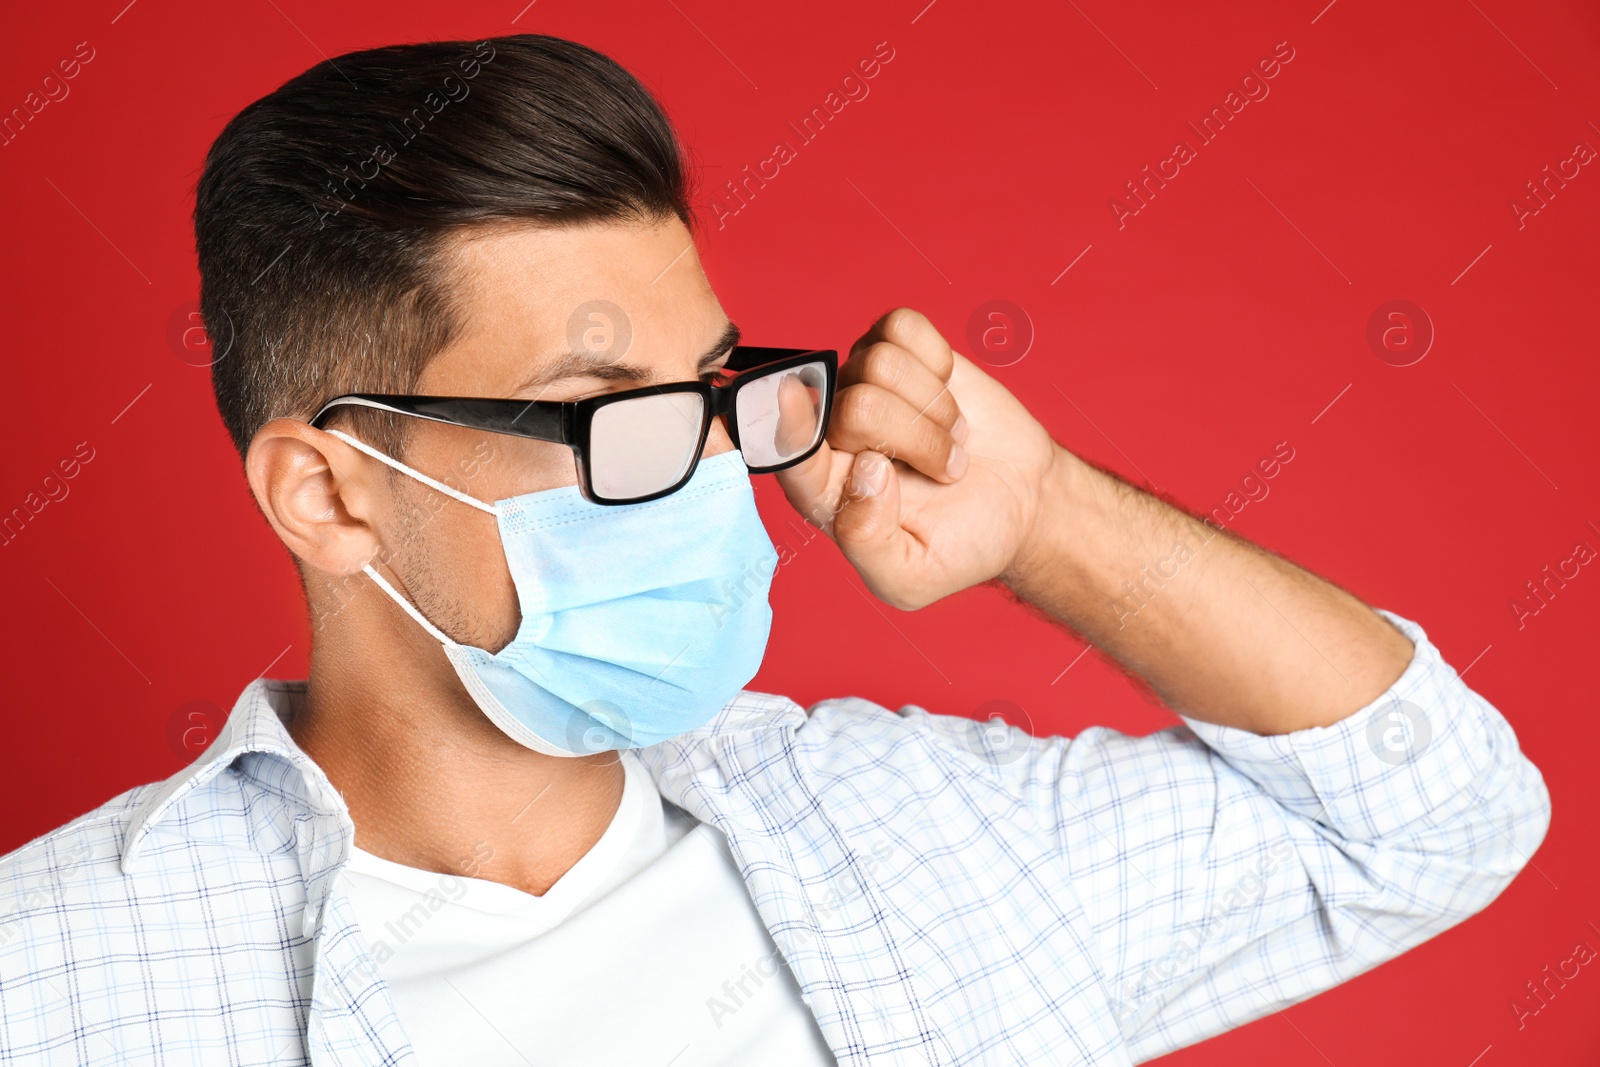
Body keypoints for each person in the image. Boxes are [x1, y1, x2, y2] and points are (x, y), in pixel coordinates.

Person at [0, 33, 1549, 1067]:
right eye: (608, 418)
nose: (709, 481)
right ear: (328, 498)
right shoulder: (62, 977)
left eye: (715, 394)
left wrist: (1048, 516)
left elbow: (1433, 820)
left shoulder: (925, 836)